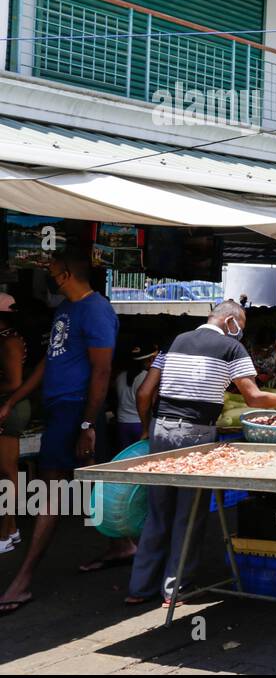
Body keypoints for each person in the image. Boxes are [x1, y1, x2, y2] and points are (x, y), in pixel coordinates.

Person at [125, 300, 276, 605]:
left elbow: (144, 393)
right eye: (240, 328)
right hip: (195, 433)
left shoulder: (175, 341)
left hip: (160, 429)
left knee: (158, 511)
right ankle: (175, 590)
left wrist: (145, 428)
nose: (240, 335)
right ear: (230, 321)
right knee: (188, 514)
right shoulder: (231, 349)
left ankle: (139, 589)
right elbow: (254, 397)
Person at [0, 254, 127, 614]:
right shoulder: (66, 310)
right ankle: (123, 545)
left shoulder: (96, 311)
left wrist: (87, 424)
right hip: (60, 409)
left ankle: (22, 581)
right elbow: (49, 361)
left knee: (51, 491)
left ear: (67, 274)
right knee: (91, 482)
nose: (50, 278)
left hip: (76, 410)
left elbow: (102, 372)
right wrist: (16, 398)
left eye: (52, 273)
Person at [0, 294, 29, 554]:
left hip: (9, 407)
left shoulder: (8, 341)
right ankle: (11, 529)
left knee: (7, 472)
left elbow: (14, 383)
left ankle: (4, 533)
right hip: (9, 407)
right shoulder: (9, 338)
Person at [114, 343, 158, 450]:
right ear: (151, 359)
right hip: (141, 425)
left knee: (125, 460)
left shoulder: (120, 376)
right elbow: (152, 403)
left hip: (122, 424)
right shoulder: (147, 379)